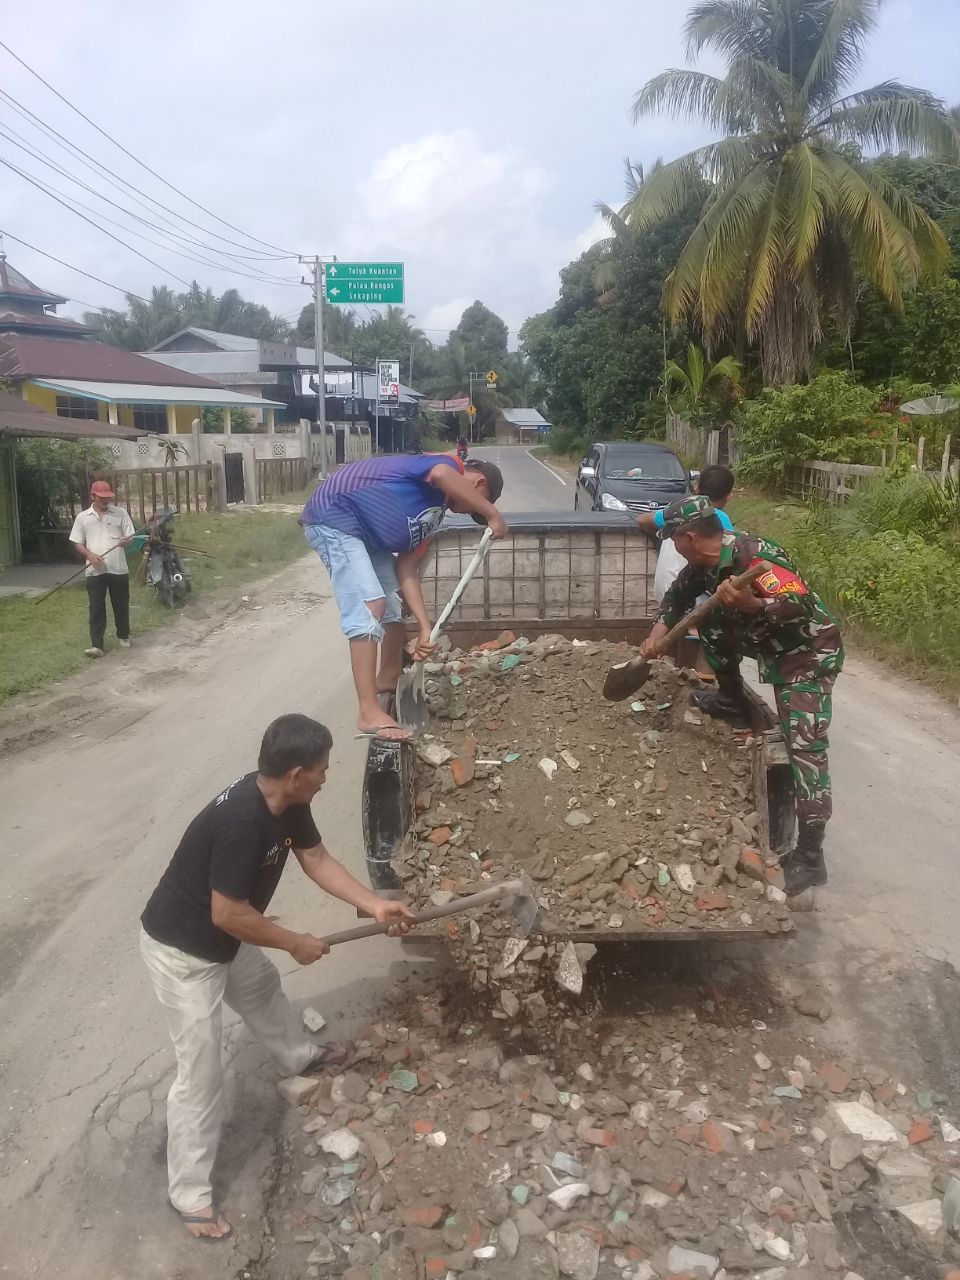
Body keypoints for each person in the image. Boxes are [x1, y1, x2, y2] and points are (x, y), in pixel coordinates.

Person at [140, 714, 415, 1240]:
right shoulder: (242, 821)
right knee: (200, 1076)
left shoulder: (288, 803)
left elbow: (315, 858)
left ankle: (299, 1057)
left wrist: (375, 905)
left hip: (223, 942)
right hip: (183, 953)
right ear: (295, 773)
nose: (326, 778)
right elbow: (228, 913)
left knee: (262, 988)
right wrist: (293, 941)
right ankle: (190, 1194)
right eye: (322, 770)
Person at [640, 496, 844, 900]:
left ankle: (810, 854)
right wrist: (657, 636)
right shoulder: (702, 566)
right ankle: (732, 698)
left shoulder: (756, 556)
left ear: (690, 537)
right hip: (768, 645)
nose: (673, 546)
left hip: (806, 653)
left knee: (804, 746)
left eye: (674, 539)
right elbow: (676, 600)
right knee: (711, 619)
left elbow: (798, 605)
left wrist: (753, 604)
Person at [301, 453, 508, 739]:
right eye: (474, 504)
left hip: (366, 537)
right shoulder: (447, 466)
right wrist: (491, 514)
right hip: (335, 517)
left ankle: (387, 678)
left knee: (392, 609)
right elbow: (440, 476)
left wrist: (425, 628)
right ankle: (367, 711)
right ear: (478, 481)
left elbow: (406, 568)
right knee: (370, 605)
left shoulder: (433, 516)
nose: (463, 513)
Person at [635, 465, 736, 603]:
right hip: (687, 595)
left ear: (697, 488)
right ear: (729, 495)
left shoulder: (680, 510)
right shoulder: (720, 518)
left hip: (662, 590)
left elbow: (641, 520)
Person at [68, 479, 136, 657]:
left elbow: (130, 537)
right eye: (102, 498)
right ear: (93, 496)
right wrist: (89, 554)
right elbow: (77, 542)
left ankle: (123, 635)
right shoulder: (83, 518)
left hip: (118, 568)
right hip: (94, 570)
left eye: (108, 498)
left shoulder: (120, 513)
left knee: (121, 604)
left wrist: (125, 541)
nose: (106, 501)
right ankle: (97, 645)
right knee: (96, 607)